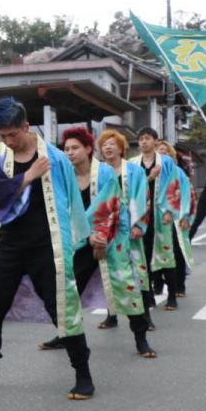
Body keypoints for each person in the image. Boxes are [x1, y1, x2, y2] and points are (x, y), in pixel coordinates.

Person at [0, 97, 95, 400]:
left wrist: (79, 235)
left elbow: (72, 199)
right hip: (9, 243)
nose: (8, 141)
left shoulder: (57, 158)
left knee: (61, 307)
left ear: (26, 126)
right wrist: (28, 176)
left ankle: (83, 374)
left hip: (47, 244)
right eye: (2, 135)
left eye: (13, 134)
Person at [46, 128, 156, 358]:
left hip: (112, 237)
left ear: (88, 149)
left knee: (125, 287)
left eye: (75, 148)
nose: (69, 153)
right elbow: (62, 210)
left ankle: (141, 339)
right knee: (69, 288)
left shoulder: (105, 173)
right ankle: (65, 334)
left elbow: (112, 208)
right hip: (80, 241)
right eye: (66, 149)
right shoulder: (65, 176)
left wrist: (100, 237)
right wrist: (86, 236)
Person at [129, 128, 182, 317]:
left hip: (160, 214)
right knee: (143, 254)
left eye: (147, 138)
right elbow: (130, 187)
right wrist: (149, 177)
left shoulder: (166, 162)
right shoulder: (133, 163)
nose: (144, 142)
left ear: (155, 141)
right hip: (141, 215)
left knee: (166, 253)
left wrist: (170, 210)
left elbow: (174, 186)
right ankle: (148, 294)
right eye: (141, 139)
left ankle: (172, 295)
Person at [156, 141, 194, 309]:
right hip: (155, 218)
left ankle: (180, 285)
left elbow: (188, 194)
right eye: (159, 151)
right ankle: (157, 284)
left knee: (176, 252)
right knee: (154, 251)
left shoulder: (178, 173)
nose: (162, 154)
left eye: (165, 151)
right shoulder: (151, 172)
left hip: (176, 217)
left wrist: (186, 215)